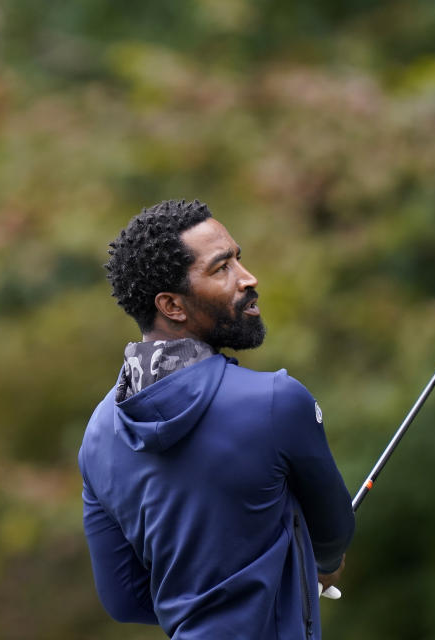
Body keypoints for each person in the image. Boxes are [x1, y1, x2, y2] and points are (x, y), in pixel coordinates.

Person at [79, 199, 355, 639]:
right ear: (171, 305)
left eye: (238, 259)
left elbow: (124, 599)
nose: (248, 278)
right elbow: (333, 535)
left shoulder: (97, 432)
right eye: (222, 268)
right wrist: (319, 566)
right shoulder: (277, 402)